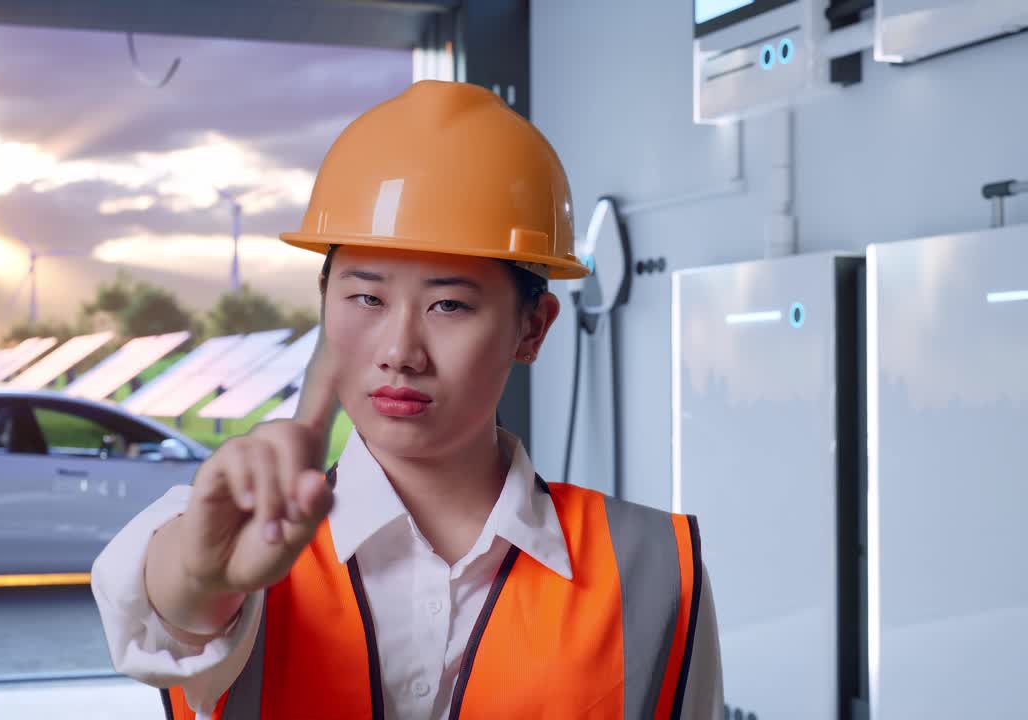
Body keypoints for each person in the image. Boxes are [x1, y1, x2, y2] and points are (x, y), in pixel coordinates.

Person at [92, 80, 724, 719]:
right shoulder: (238, 539)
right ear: (324, 301)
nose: (400, 350)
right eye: (367, 298)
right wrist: (201, 577)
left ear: (532, 328)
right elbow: (158, 613)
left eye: (449, 304)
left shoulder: (653, 566)